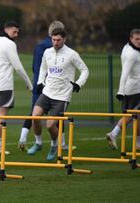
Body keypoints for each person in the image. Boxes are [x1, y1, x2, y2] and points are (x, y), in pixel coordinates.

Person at [28, 28, 89, 161]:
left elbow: (85, 70)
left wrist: (79, 83)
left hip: (62, 96)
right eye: (53, 40)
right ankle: (38, 143)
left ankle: (55, 145)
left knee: (50, 125)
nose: (55, 43)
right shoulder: (47, 52)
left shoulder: (72, 54)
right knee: (35, 117)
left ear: (64, 39)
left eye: (58, 40)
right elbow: (43, 68)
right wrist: (40, 81)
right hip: (47, 92)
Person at [18, 20, 73, 152]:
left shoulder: (38, 46)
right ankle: (61, 143)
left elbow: (34, 66)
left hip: (38, 83)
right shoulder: (58, 47)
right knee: (57, 116)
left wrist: (37, 80)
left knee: (34, 113)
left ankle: (24, 138)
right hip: (53, 86)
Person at [0, 21, 33, 155]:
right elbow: (18, 67)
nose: (16, 35)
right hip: (4, 85)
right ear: (6, 29)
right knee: (1, 116)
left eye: (17, 32)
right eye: (14, 32)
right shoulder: (10, 44)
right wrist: (29, 83)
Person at [106, 28, 140, 151]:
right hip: (135, 90)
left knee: (137, 116)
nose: (139, 41)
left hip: (130, 88)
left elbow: (135, 70)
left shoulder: (126, 48)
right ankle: (114, 133)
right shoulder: (133, 54)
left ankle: (138, 142)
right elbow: (125, 72)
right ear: (131, 39)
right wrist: (120, 91)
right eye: (137, 39)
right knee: (133, 115)